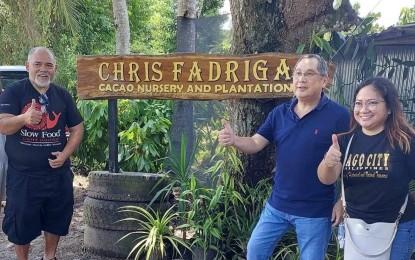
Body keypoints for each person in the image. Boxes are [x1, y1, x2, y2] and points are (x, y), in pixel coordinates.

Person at [218, 54, 350, 259]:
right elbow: (255, 142)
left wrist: (342, 201)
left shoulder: (340, 116)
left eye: (309, 73)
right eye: (297, 73)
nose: (301, 79)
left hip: (315, 211)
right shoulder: (279, 113)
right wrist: (235, 140)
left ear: (324, 80)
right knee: (255, 251)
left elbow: (351, 161)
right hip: (277, 205)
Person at [0, 47, 84, 260]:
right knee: (20, 222)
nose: (43, 69)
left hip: (57, 175)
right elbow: (3, 125)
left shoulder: (62, 95)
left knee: (57, 218)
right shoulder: (15, 92)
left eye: (48, 65)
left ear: (55, 68)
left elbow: (77, 128)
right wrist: (23, 119)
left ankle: (49, 256)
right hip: (23, 176)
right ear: (28, 66)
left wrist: (65, 155)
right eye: (38, 64)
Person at [318, 76, 415, 259]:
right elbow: (326, 178)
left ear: (389, 108)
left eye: (372, 103)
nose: (363, 110)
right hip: (356, 227)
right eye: (358, 103)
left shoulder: (404, 141)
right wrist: (328, 163)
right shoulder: (344, 141)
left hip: (399, 226)